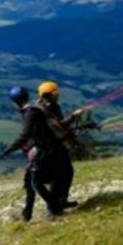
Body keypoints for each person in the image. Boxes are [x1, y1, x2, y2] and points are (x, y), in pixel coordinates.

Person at [1, 85, 73, 221]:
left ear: (14, 102)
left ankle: (53, 209)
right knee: (35, 181)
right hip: (49, 149)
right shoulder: (35, 109)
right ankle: (30, 213)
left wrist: (8, 150)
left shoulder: (30, 113)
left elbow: (25, 136)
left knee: (35, 183)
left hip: (45, 151)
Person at [36, 80, 80, 209]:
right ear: (47, 95)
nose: (57, 95)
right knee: (57, 176)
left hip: (59, 146)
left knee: (67, 173)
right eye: (55, 93)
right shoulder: (42, 111)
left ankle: (62, 200)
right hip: (51, 149)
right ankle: (53, 207)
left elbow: (60, 125)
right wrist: (73, 116)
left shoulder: (54, 106)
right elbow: (59, 126)